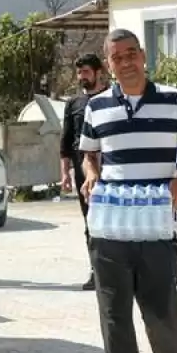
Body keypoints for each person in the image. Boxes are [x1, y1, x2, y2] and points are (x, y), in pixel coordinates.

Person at [79, 29, 177, 353]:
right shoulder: (96, 107)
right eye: (117, 57)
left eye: (132, 53)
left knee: (162, 307)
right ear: (109, 64)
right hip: (111, 225)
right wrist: (91, 176)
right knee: (114, 314)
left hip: (156, 224)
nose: (126, 61)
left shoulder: (173, 99)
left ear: (143, 55)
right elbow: (88, 156)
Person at [59, 53, 108, 291]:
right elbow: (66, 141)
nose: (82, 77)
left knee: (111, 218)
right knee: (90, 219)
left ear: (99, 72)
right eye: (79, 73)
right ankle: (95, 271)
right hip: (82, 169)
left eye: (86, 72)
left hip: (109, 166)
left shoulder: (112, 98)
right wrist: (64, 174)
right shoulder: (74, 103)